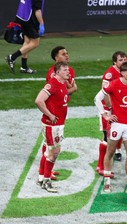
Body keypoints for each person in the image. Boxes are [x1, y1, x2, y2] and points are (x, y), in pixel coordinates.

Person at [94, 61, 127, 193]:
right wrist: (105, 115)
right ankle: (107, 182)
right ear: (122, 73)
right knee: (110, 152)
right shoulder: (114, 84)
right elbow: (97, 98)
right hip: (116, 125)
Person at [37, 46, 78, 183]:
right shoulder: (53, 77)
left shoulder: (67, 72)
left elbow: (66, 91)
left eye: (67, 53)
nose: (67, 56)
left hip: (60, 114)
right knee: (50, 149)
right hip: (53, 117)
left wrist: (70, 89)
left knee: (50, 147)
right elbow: (43, 97)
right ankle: (44, 176)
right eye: (63, 54)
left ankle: (44, 174)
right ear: (56, 59)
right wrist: (50, 115)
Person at [34, 62, 72, 193]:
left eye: (68, 69)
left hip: (58, 124)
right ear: (57, 73)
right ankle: (46, 182)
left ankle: (41, 178)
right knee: (53, 152)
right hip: (52, 125)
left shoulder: (62, 83)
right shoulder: (53, 84)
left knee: (48, 151)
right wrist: (49, 115)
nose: (68, 72)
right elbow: (38, 100)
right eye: (65, 70)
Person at [95, 51, 127, 177]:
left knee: (115, 135)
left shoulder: (124, 72)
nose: (124, 62)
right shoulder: (110, 74)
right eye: (120, 60)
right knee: (106, 137)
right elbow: (105, 93)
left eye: (125, 59)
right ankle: (100, 166)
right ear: (115, 62)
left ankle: (106, 162)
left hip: (116, 109)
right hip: (108, 110)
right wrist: (109, 108)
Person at [5, 0, 45, 74]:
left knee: (27, 42)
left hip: (22, 16)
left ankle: (24, 67)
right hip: (28, 19)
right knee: (35, 42)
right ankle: (12, 57)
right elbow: (37, 10)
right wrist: (42, 23)